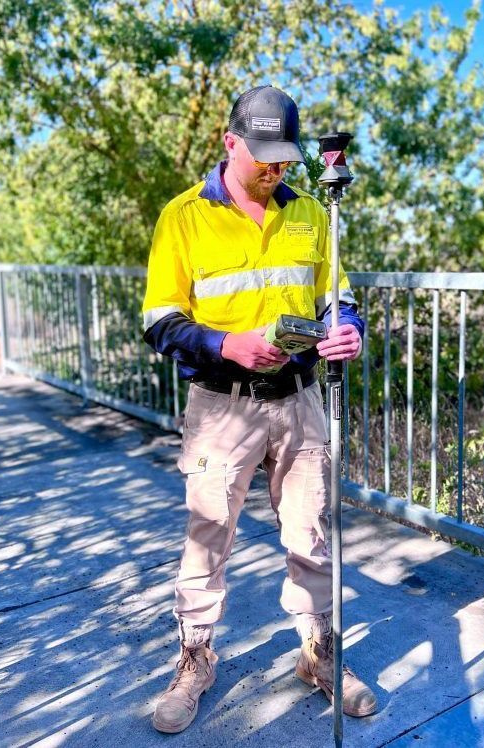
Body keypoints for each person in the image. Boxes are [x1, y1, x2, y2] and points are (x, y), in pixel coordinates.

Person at [142, 84, 377, 734]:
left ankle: (320, 656)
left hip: (300, 403)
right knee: (206, 539)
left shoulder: (311, 214)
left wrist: (346, 328)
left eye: (283, 158)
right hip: (222, 407)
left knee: (311, 537)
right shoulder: (182, 217)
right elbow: (161, 321)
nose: (274, 170)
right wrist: (226, 345)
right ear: (230, 143)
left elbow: (338, 297)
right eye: (262, 156)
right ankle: (195, 662)